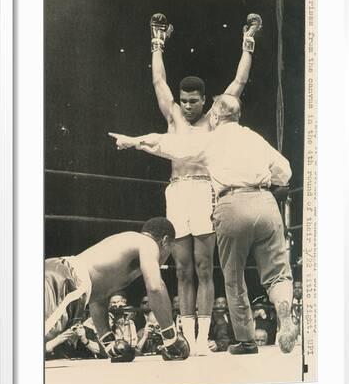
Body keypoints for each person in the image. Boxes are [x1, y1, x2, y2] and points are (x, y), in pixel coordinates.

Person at [108, 94, 296, 355]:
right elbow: (285, 171)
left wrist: (134, 142)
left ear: (216, 116)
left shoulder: (211, 140)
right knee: (277, 273)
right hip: (265, 201)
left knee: (233, 278)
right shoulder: (255, 138)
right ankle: (284, 306)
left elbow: (168, 145)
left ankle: (246, 340)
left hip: (232, 202)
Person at [148, 12, 262, 355]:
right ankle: (185, 337)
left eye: (192, 101)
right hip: (177, 192)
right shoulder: (173, 116)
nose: (186, 106)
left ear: (204, 100)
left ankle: (201, 340)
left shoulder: (215, 117)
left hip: (203, 190)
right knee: (182, 269)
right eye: (182, 101)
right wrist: (157, 44)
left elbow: (238, 84)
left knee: (203, 266)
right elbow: (158, 81)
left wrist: (248, 42)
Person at [44, 217, 189, 361]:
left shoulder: (127, 246)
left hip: (60, 273)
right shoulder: (148, 244)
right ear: (165, 241)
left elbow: (98, 297)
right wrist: (171, 338)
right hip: (66, 281)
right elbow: (156, 287)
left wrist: (109, 342)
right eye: (170, 251)